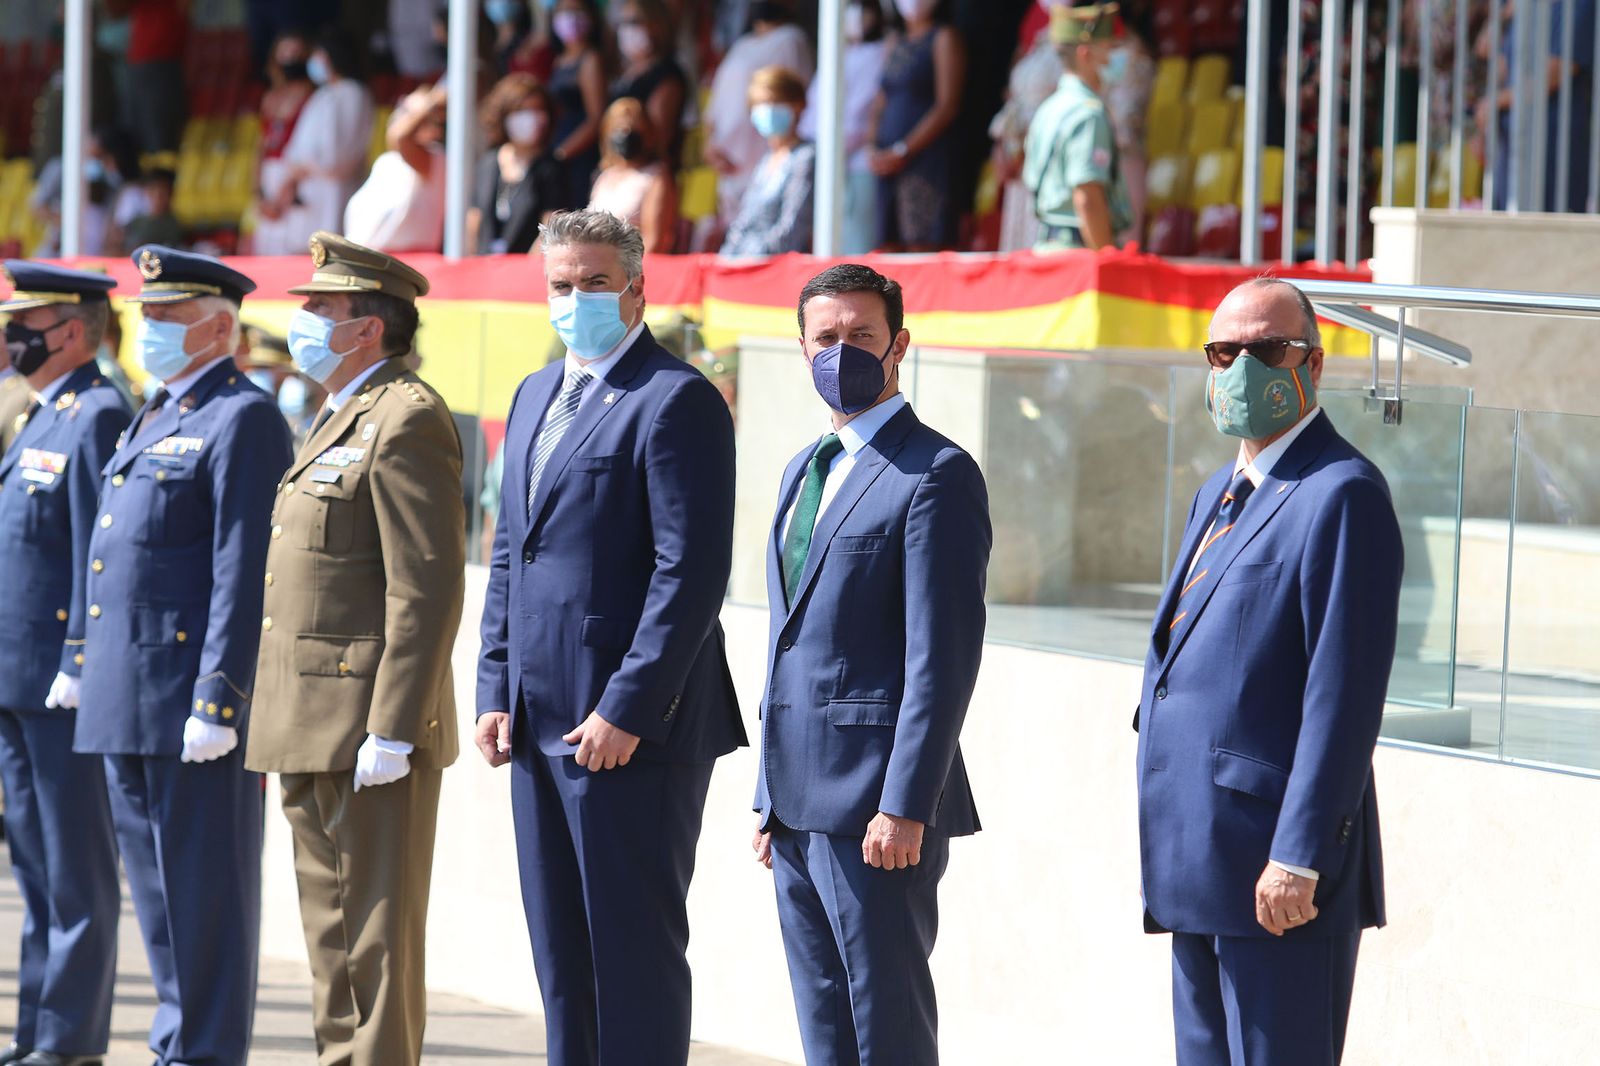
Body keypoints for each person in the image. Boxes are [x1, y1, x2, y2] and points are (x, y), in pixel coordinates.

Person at [474, 209, 744, 1065]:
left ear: (636, 287)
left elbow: (690, 575)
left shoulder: (677, 399)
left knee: (630, 955)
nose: (576, 298)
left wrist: (628, 704)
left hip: (630, 732)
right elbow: (511, 553)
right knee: (561, 954)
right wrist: (492, 689)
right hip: (536, 720)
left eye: (594, 281)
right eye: (561, 284)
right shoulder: (531, 394)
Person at [1135, 278, 1403, 1066]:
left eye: (1268, 349)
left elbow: (1342, 698)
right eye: (1226, 352)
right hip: (1195, 853)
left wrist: (1299, 855)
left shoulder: (1342, 493)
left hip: (1275, 872)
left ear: (1313, 366)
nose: (1243, 367)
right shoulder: (1218, 491)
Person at [751, 263, 990, 1065]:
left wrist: (906, 804)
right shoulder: (801, 470)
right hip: (795, 805)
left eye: (862, 335)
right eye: (826, 337)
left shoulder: (936, 474)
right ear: (802, 348)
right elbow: (790, 644)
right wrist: (768, 797)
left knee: (885, 1029)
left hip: (878, 812)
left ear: (900, 346)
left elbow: (941, 660)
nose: (842, 351)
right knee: (824, 1033)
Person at [245, 233, 465, 1064]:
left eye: (320, 310)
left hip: (367, 726)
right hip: (310, 720)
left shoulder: (405, 415)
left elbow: (427, 584)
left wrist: (396, 726)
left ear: (368, 327)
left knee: (373, 948)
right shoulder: (341, 413)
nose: (302, 322)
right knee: (331, 944)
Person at [75, 246, 294, 1066]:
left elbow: (243, 570)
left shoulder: (243, 417)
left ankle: (202, 1054)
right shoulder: (154, 411)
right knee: (160, 905)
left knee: (206, 903)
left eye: (166, 318)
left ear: (219, 328)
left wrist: (220, 697)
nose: (148, 329)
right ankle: (177, 1047)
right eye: (147, 316)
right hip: (127, 694)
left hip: (188, 703)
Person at [0, 263, 130, 1066]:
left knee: (74, 873)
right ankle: (37, 1033)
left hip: (57, 683)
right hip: (17, 677)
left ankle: (69, 1042)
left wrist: (81, 662)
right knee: (38, 872)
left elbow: (98, 552)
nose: (13, 338)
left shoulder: (98, 414)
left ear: (72, 332)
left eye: (27, 324)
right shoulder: (43, 414)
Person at [1022, 4, 1131, 252]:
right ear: (1085, 54)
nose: (1114, 56)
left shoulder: (1048, 109)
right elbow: (1088, 199)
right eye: (1108, 48)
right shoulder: (1088, 114)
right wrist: (1106, 257)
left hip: (1047, 247)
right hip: (1079, 252)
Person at [703, 2, 814, 237]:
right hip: (735, 174)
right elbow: (715, 106)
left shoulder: (791, 39)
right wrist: (710, 144)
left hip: (772, 167)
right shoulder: (742, 44)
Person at [260, 29, 375, 250]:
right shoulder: (324, 94)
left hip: (332, 196)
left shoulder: (352, 93)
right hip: (309, 198)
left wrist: (300, 168)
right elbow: (298, 148)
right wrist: (292, 175)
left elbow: (336, 159)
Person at [868, 0, 965, 251]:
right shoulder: (894, 42)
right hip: (887, 164)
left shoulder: (943, 37)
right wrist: (872, 146)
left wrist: (904, 150)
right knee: (887, 245)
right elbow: (880, 100)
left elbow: (947, 106)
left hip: (925, 162)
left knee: (921, 244)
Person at [797, 0, 887, 256]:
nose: (854, 15)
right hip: (826, 168)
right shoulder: (835, 53)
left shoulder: (880, 52)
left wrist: (832, 147)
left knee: (856, 248)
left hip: (858, 168)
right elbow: (813, 110)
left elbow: (863, 112)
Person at [471, 75, 576, 255]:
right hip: (484, 267)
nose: (531, 118)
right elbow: (473, 222)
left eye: (537, 110)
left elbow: (551, 227)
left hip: (524, 271)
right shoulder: (487, 163)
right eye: (521, 110)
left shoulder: (553, 168)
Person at [721, 66, 815, 257]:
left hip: (776, 268)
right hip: (748, 265)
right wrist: (728, 257)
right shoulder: (765, 161)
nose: (765, 111)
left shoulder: (805, 157)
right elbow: (744, 221)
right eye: (758, 104)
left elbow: (792, 230)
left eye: (773, 102)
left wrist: (749, 258)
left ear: (797, 105)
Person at [344, 84, 449, 252]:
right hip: (370, 259)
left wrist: (429, 104)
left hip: (409, 266)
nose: (401, 115)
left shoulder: (436, 160)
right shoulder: (387, 161)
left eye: (410, 113)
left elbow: (399, 137)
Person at [253, 31, 316, 255]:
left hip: (297, 177)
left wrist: (287, 191)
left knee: (294, 247)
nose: (290, 59)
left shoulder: (312, 97)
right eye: (285, 52)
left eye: (296, 53)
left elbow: (308, 149)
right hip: (270, 176)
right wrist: (258, 193)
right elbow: (261, 147)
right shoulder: (269, 97)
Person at [588, 97, 678, 252]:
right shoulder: (604, 177)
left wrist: (631, 275)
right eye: (619, 129)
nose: (625, 134)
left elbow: (655, 240)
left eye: (632, 128)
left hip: (630, 268)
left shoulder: (655, 177)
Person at [547, 0, 611, 210]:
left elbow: (596, 118)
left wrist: (562, 153)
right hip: (561, 146)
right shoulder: (559, 60)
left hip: (581, 153)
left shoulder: (590, 59)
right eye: (563, 11)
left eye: (577, 10)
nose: (570, 17)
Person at [608, 0, 688, 166]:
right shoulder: (627, 73)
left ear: (656, 24)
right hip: (621, 168)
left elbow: (659, 139)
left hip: (647, 173)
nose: (626, 29)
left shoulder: (666, 74)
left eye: (634, 22)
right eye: (622, 23)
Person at [119, 168, 183, 252]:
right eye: (153, 190)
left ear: (171, 193)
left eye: (163, 192)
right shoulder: (136, 221)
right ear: (146, 191)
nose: (158, 196)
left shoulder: (174, 226)